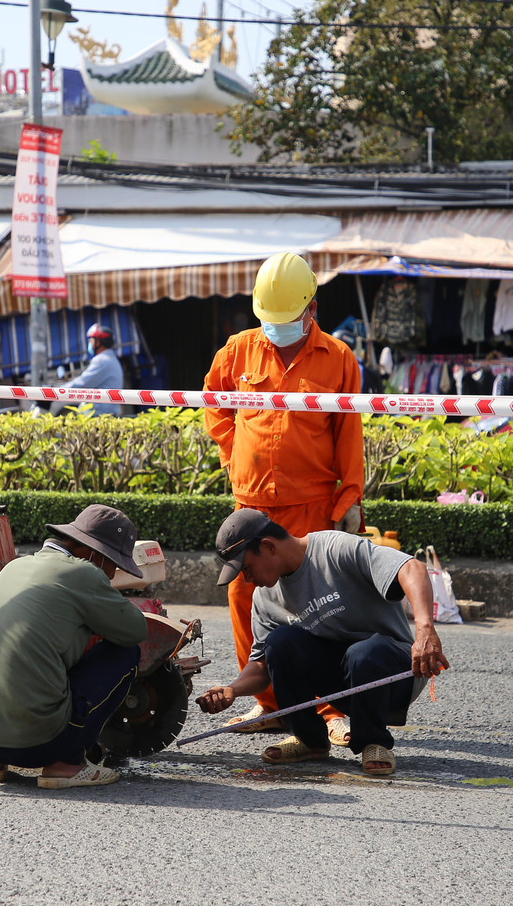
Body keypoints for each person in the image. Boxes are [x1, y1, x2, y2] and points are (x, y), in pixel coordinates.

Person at [202, 251, 365, 746]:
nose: (274, 329)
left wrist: (349, 499)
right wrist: (236, 458)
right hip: (250, 504)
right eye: (268, 321)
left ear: (311, 308)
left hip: (310, 506)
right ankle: (269, 704)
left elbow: (348, 434)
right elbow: (213, 403)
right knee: (244, 597)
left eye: (285, 320)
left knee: (318, 605)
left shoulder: (338, 359)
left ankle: (332, 709)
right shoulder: (238, 349)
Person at [197, 508, 447, 776]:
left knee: (363, 652)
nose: (247, 579)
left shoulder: (334, 548)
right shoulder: (265, 599)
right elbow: (261, 666)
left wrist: (424, 629)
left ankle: (374, 741)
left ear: (268, 546)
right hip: (343, 682)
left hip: (390, 676)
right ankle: (309, 740)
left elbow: (412, 567)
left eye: (247, 568)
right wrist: (232, 690)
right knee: (280, 642)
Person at [0, 504, 148, 789]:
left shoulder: (16, 566)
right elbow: (135, 630)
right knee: (126, 653)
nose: (112, 575)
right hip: (39, 746)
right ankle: (67, 764)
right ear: (93, 553)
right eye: (113, 564)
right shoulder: (84, 574)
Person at [50, 322, 125, 416]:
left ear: (99, 342)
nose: (89, 343)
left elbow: (83, 383)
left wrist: (56, 392)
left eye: (91, 340)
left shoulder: (102, 360)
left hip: (97, 414)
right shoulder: (111, 359)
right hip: (106, 411)